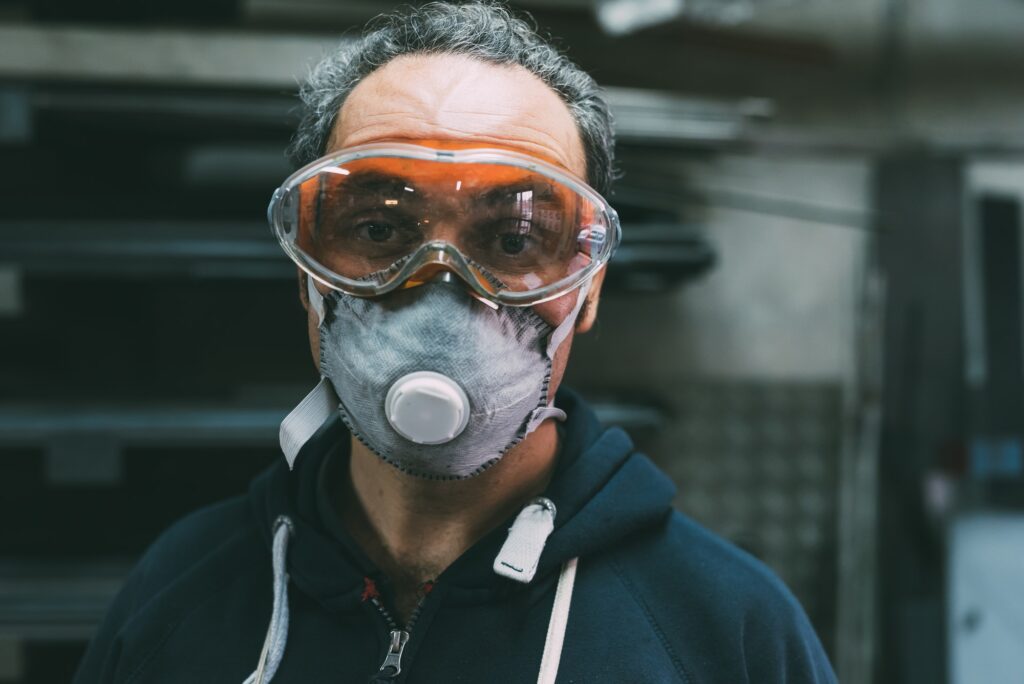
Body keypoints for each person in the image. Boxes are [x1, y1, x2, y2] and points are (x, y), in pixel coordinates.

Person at [74, 3, 836, 682]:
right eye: (378, 229)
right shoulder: (185, 596)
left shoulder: (725, 632)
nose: (439, 288)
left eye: (512, 238)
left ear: (589, 287)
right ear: (306, 269)